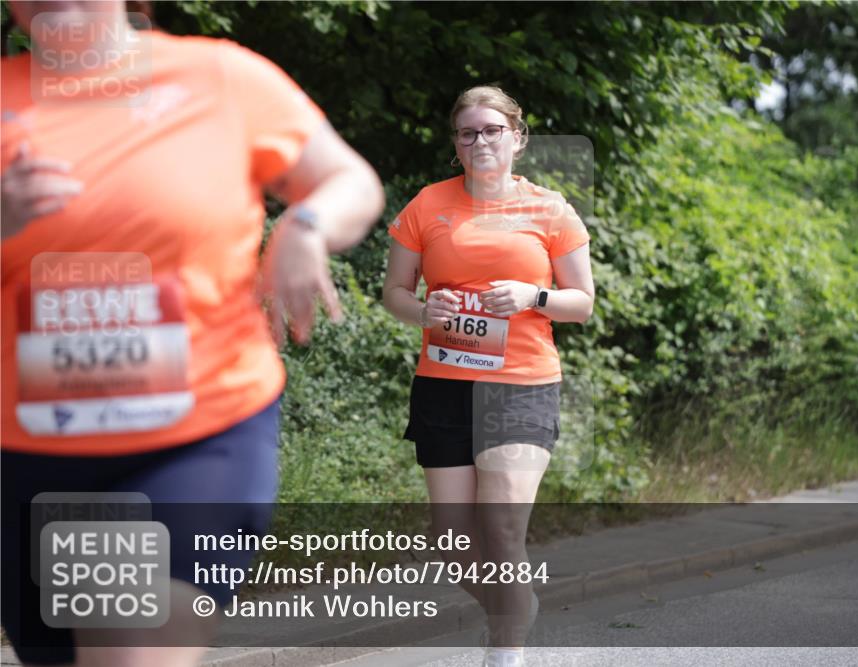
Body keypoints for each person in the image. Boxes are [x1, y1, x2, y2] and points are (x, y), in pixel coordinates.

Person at [0, 2, 384, 665]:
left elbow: (349, 178)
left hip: (194, 433)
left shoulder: (221, 78)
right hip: (29, 452)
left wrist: (307, 225)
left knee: (129, 637)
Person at [382, 85, 595, 667]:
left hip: (521, 384)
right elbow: (393, 294)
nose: (480, 141)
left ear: (517, 137)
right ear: (456, 143)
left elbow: (582, 303)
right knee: (455, 550)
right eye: (468, 132)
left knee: (500, 531)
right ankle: (518, 604)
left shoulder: (550, 209)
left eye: (492, 130)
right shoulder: (427, 205)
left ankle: (506, 650)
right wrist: (425, 311)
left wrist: (535, 294)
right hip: (443, 385)